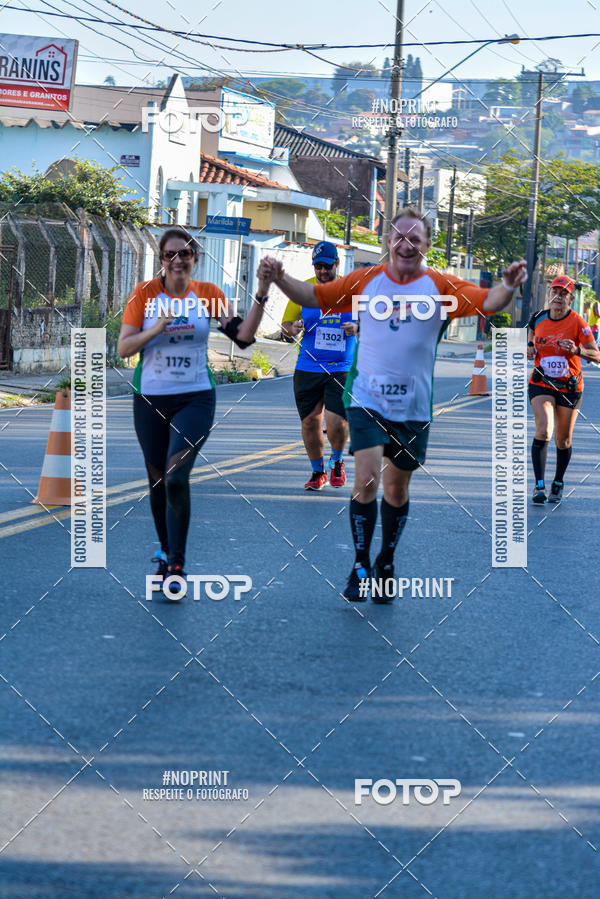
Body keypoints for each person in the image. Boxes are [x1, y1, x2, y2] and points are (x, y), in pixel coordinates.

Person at [259, 207, 527, 602]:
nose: (405, 244)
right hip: (367, 399)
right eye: (399, 237)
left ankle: (386, 559)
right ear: (388, 242)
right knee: (365, 478)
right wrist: (280, 276)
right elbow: (312, 295)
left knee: (396, 490)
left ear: (426, 245)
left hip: (413, 409)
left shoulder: (442, 287)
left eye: (414, 239)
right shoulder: (365, 281)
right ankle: (360, 563)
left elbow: (490, 302)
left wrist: (507, 285)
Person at [118, 226, 270, 595]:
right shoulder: (145, 294)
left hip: (195, 397)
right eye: (170, 254)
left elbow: (244, 338)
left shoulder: (209, 295)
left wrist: (262, 292)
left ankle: (178, 562)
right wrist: (155, 328)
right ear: (161, 260)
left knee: (174, 476)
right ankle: (165, 551)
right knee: (157, 481)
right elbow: (123, 349)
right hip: (150, 398)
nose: (178, 260)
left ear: (195, 259)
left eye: (185, 253)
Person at [281, 241, 358, 490]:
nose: (322, 271)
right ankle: (317, 472)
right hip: (308, 367)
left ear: (337, 263)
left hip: (342, 366)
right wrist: (291, 329)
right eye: (318, 266)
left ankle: (336, 461)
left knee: (336, 422)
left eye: (326, 266)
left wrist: (357, 328)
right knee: (310, 423)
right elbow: (286, 324)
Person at [527, 275, 599, 504]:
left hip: (570, 387)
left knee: (563, 440)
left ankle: (558, 481)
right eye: (555, 292)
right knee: (544, 430)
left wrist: (577, 351)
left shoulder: (578, 322)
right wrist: (530, 347)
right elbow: (531, 332)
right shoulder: (538, 317)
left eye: (563, 293)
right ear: (549, 294)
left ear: (571, 298)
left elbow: (596, 354)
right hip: (541, 382)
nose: (558, 296)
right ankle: (539, 485)